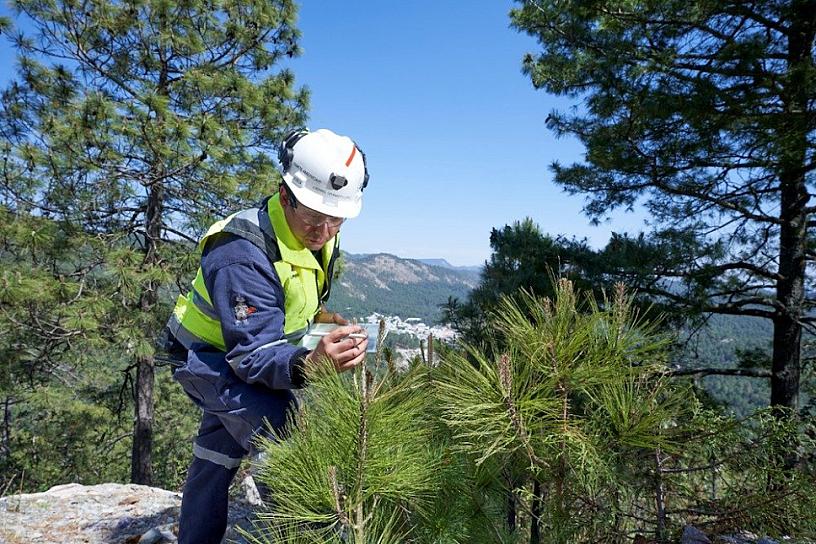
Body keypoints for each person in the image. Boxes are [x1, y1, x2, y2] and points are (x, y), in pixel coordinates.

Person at [163, 128, 370, 543]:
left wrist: (328, 323)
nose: (324, 230)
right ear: (284, 194)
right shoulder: (242, 252)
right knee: (285, 433)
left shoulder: (317, 231)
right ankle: (303, 534)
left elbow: (295, 302)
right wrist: (311, 362)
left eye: (336, 219)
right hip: (206, 358)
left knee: (217, 451)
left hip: (241, 352)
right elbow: (250, 356)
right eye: (313, 216)